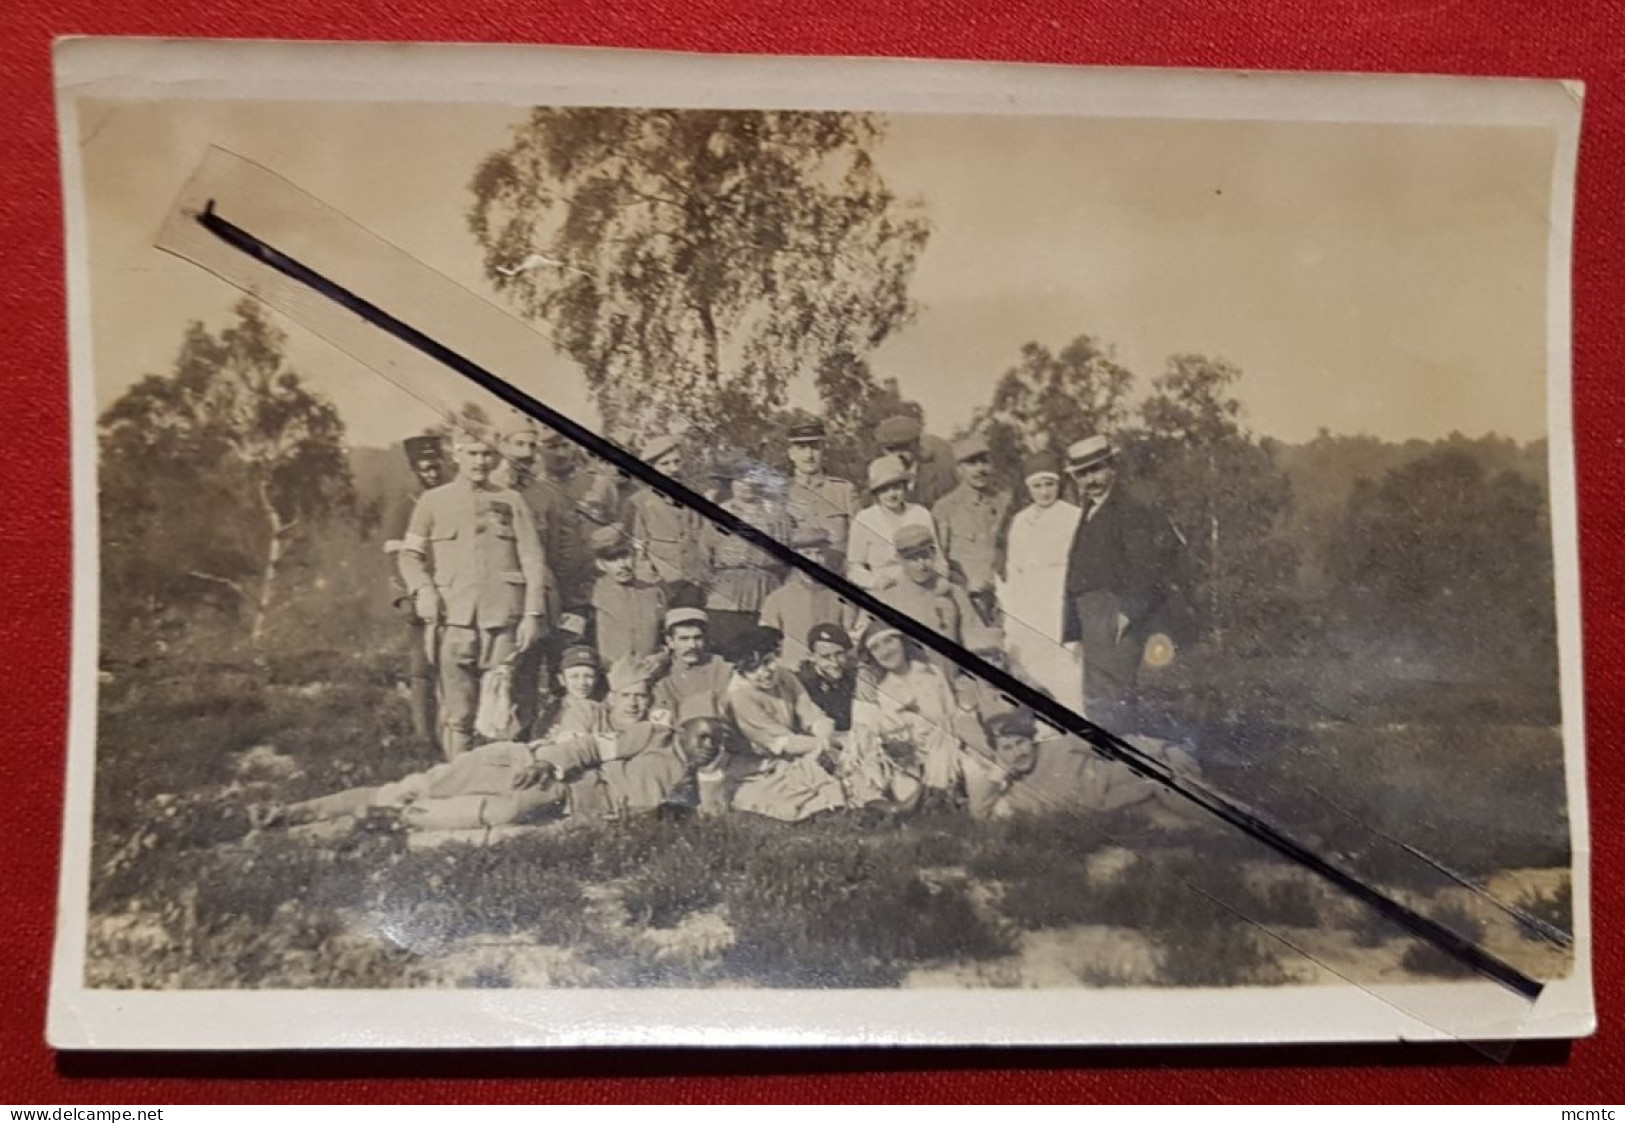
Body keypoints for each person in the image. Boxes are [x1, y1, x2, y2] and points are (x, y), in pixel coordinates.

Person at [398, 425, 547, 758]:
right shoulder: (432, 501)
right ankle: (458, 782)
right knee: (458, 714)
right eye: (472, 453)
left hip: (504, 620)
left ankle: (503, 783)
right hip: (454, 620)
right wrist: (423, 589)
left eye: (487, 454)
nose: (480, 461)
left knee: (503, 710)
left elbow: (532, 559)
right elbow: (409, 555)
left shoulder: (512, 500)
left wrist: (532, 614)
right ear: (456, 455)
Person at [1061, 435, 1181, 729]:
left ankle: (1122, 761)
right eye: (1083, 474)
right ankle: (1107, 761)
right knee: (1095, 694)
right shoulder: (1089, 510)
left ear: (1112, 467)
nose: (1091, 479)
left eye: (1097, 469)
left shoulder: (1129, 509)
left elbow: (1147, 566)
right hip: (1089, 613)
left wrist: (1127, 613)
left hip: (1112, 610)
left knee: (1115, 695)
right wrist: (1075, 624)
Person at [966, 708, 1197, 822]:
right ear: (996, 753)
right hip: (1115, 807)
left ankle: (1228, 820)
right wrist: (997, 774)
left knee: (1168, 781)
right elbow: (980, 812)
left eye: (1021, 743)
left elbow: (1112, 744)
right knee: (1175, 824)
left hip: (1123, 779)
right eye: (1007, 748)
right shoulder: (1015, 790)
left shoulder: (1058, 745)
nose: (1017, 753)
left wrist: (1164, 747)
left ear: (1032, 740)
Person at [722, 625, 849, 822]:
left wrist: (823, 736)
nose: (765, 672)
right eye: (754, 668)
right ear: (740, 670)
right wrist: (823, 745)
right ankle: (829, 803)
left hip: (797, 751)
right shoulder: (739, 695)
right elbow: (781, 742)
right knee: (773, 793)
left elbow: (811, 714)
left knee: (847, 751)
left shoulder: (784, 675)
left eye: (768, 662)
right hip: (759, 765)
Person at [998, 448, 1085, 713]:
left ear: (1059, 484)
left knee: (1067, 669)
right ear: (1028, 488)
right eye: (1037, 486)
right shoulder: (1020, 521)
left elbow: (1078, 565)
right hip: (1028, 602)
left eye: (1050, 484)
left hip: (1059, 599)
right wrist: (1012, 612)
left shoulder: (1072, 516)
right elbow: (1014, 568)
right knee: (1032, 665)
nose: (1044, 492)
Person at [384, 434, 448, 747]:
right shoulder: (404, 507)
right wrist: (403, 598)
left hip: (457, 593)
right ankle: (424, 738)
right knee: (423, 668)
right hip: (421, 595)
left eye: (436, 466)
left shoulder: (453, 497)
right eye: (425, 469)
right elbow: (393, 557)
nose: (433, 474)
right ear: (415, 469)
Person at [706, 452, 789, 652]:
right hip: (726, 590)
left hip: (764, 588)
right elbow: (705, 553)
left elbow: (786, 557)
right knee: (726, 648)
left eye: (753, 478)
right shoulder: (717, 512)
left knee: (760, 650)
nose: (747, 484)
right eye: (740, 479)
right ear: (731, 483)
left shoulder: (775, 513)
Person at [878, 523, 980, 676]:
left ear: (933, 553)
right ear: (899, 559)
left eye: (925, 556)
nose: (921, 565)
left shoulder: (954, 593)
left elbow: (977, 642)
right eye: (912, 559)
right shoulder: (889, 599)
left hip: (955, 681)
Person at [931, 433, 1010, 625]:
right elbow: (939, 559)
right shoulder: (945, 508)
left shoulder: (1004, 502)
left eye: (984, 462)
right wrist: (962, 587)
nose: (980, 469)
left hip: (1005, 597)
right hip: (967, 600)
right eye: (972, 464)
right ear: (959, 469)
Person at [625, 433, 714, 601]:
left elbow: (704, 539)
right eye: (665, 463)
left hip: (695, 581)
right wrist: (653, 581)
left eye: (677, 462)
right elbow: (637, 548)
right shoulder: (640, 502)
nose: (673, 468)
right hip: (660, 584)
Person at [757, 525, 856, 666]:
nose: (814, 560)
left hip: (834, 669)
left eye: (819, 553)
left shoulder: (842, 595)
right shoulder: (777, 598)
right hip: (794, 672)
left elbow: (851, 638)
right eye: (807, 554)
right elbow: (767, 644)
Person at [846, 454, 941, 592]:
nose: (892, 495)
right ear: (876, 493)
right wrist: (874, 581)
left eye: (896, 487)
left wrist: (936, 578)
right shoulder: (865, 519)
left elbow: (937, 556)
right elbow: (854, 568)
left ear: (905, 487)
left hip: (923, 585)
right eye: (884, 489)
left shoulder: (920, 513)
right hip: (884, 589)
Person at [783, 418, 859, 563]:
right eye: (801, 448)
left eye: (815, 447)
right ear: (791, 454)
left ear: (824, 451)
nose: (809, 455)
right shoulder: (781, 493)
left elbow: (860, 540)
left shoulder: (844, 491)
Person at [589, 524, 668, 663]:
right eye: (612, 559)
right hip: (610, 676)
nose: (622, 565)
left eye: (625, 556)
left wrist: (662, 655)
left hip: (651, 672)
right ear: (600, 564)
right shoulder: (590, 595)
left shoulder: (652, 592)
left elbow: (667, 636)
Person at [651, 606, 734, 722]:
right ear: (670, 642)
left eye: (698, 638)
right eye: (684, 639)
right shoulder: (661, 672)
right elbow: (660, 717)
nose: (692, 645)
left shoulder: (721, 668)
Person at [873, 413, 958, 509]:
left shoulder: (938, 474)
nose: (898, 455)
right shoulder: (877, 477)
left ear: (917, 444)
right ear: (882, 449)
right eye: (891, 449)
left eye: (904, 447)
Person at [529, 643, 611, 741]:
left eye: (589, 676)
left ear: (597, 678)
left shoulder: (604, 710)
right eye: (574, 676)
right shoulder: (550, 712)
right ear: (562, 680)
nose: (582, 682)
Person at [794, 621, 858, 733]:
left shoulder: (854, 678)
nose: (834, 663)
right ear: (812, 657)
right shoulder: (799, 683)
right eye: (825, 657)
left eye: (839, 654)